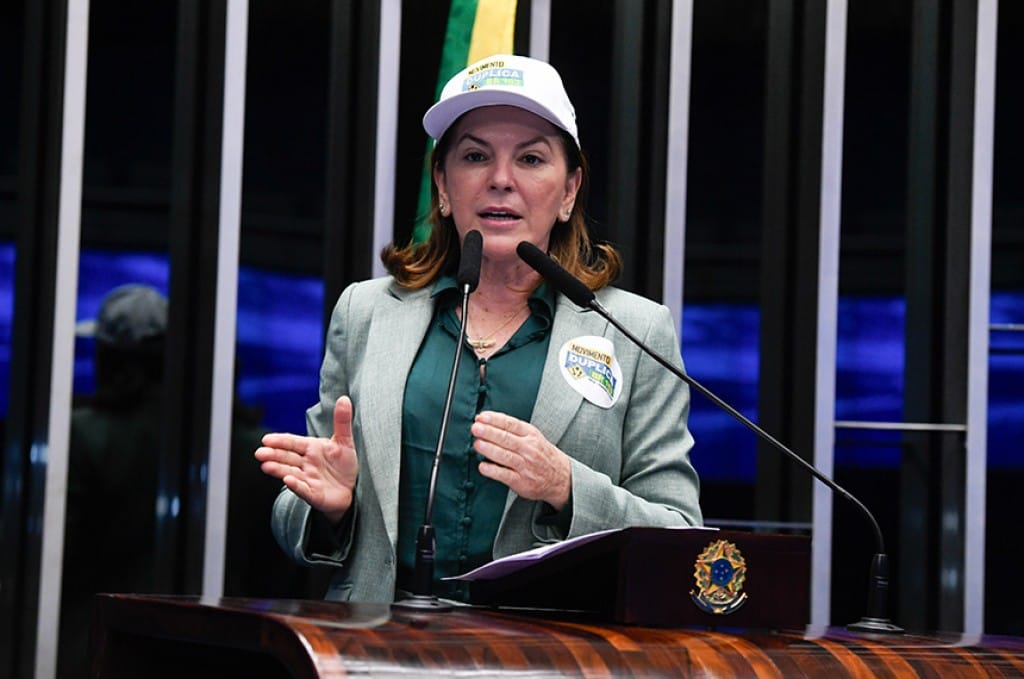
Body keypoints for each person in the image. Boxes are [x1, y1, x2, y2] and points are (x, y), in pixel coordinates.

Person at [255, 53, 702, 604]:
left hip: (548, 646)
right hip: (376, 640)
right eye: (475, 156)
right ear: (443, 185)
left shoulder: (635, 331)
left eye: (531, 159)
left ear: (569, 191)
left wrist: (566, 486)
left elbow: (680, 536)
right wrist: (329, 508)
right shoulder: (365, 312)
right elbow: (301, 505)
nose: (501, 180)